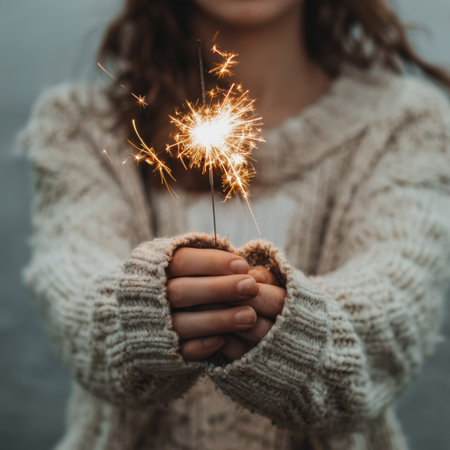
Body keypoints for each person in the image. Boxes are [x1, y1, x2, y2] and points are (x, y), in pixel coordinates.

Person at [20, 0, 450, 449]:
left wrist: (296, 332)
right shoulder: (81, 126)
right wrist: (141, 311)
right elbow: (74, 283)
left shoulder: (404, 122)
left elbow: (393, 310)